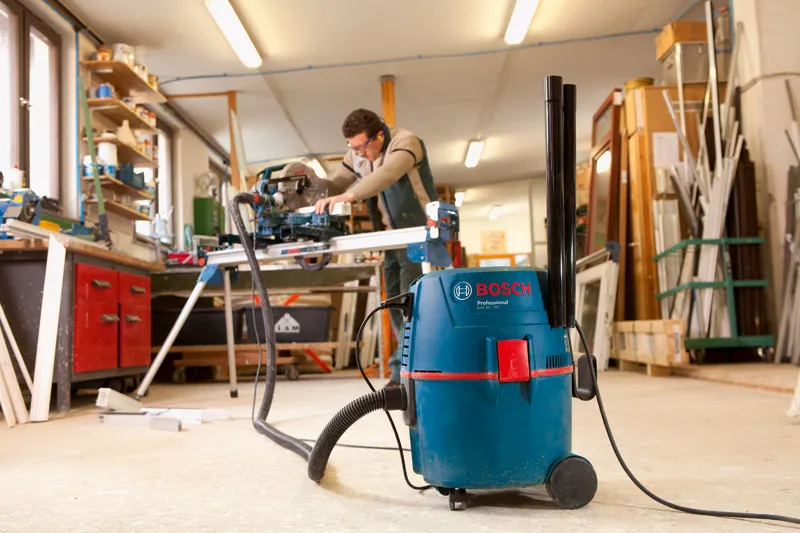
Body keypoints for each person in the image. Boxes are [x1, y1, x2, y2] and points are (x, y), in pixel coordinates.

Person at [314, 108, 438, 387]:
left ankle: (405, 372)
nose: (358, 154)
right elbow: (336, 184)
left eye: (362, 146)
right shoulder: (358, 153)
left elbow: (387, 175)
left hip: (416, 235)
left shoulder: (406, 143)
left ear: (379, 135)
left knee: (412, 304)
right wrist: (311, 189)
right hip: (388, 240)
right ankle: (406, 365)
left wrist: (351, 194)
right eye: (352, 147)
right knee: (394, 303)